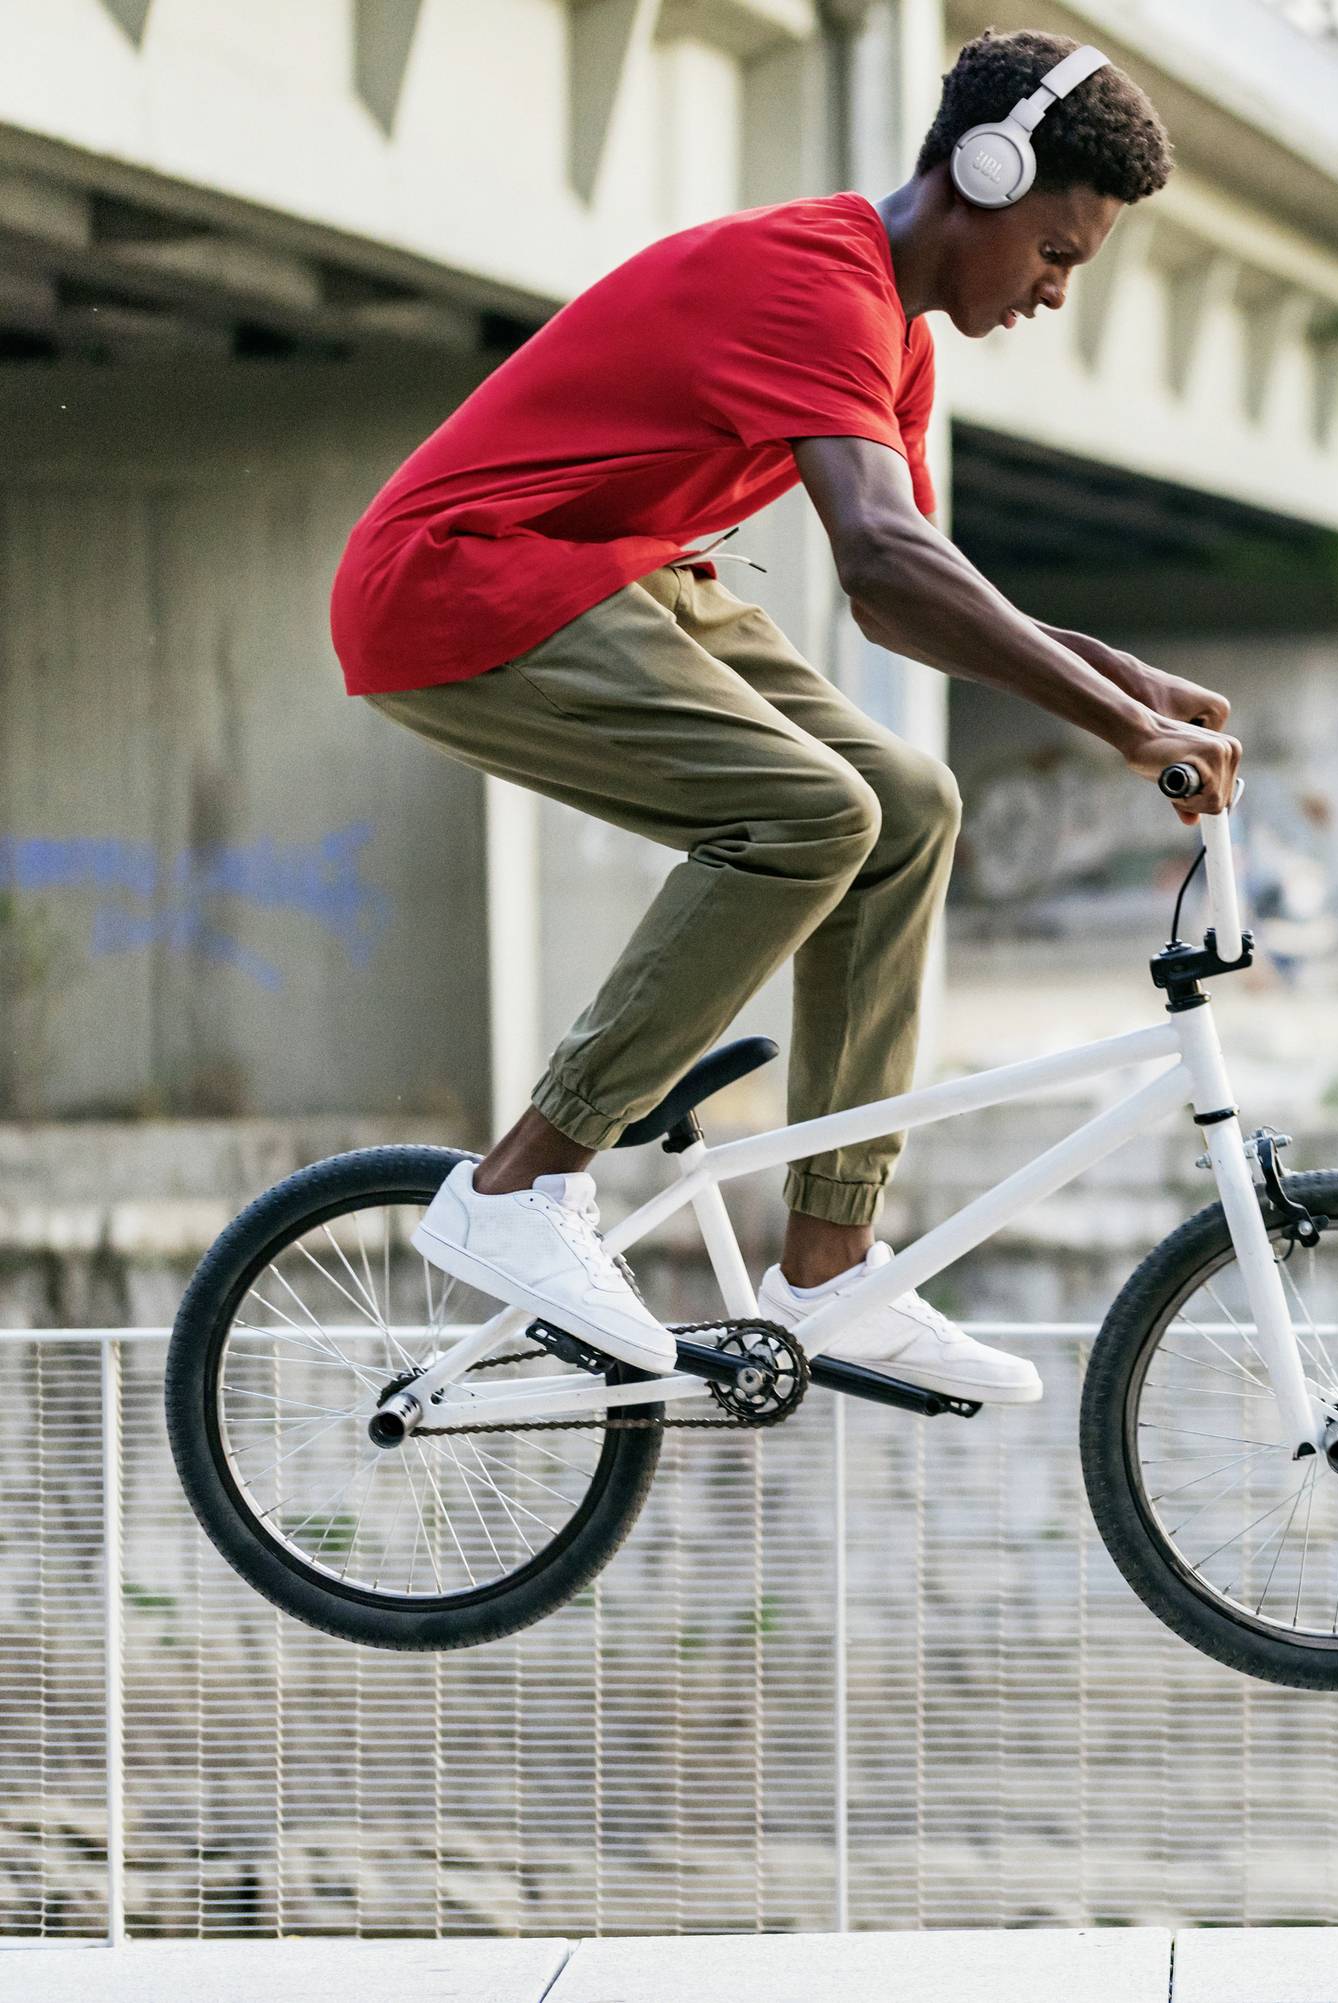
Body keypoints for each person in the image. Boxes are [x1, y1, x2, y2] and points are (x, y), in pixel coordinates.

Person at [328, 29, 1238, 1404]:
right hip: (459, 582)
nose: (1058, 293)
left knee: (913, 807)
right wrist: (1121, 729)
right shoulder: (812, 283)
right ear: (985, 175)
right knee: (811, 812)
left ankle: (831, 1267)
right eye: (1059, 253)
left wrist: (1127, 682)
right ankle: (521, 1183)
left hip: (621, 576)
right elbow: (880, 561)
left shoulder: (894, 342)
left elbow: (914, 594)